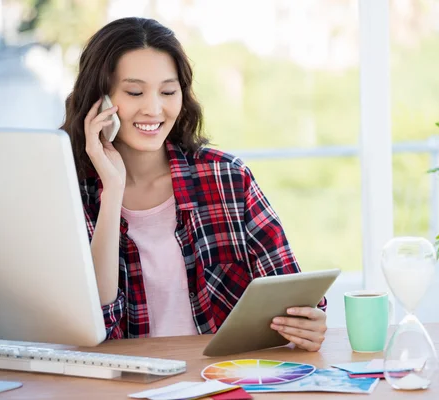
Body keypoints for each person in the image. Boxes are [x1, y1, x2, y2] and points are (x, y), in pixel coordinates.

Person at [60, 17, 327, 351]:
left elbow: (290, 290)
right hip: (122, 385)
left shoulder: (227, 177)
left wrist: (308, 322)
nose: (154, 108)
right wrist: (112, 190)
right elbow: (93, 321)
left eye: (168, 91)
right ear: (98, 100)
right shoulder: (68, 189)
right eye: (134, 92)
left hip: (219, 379)